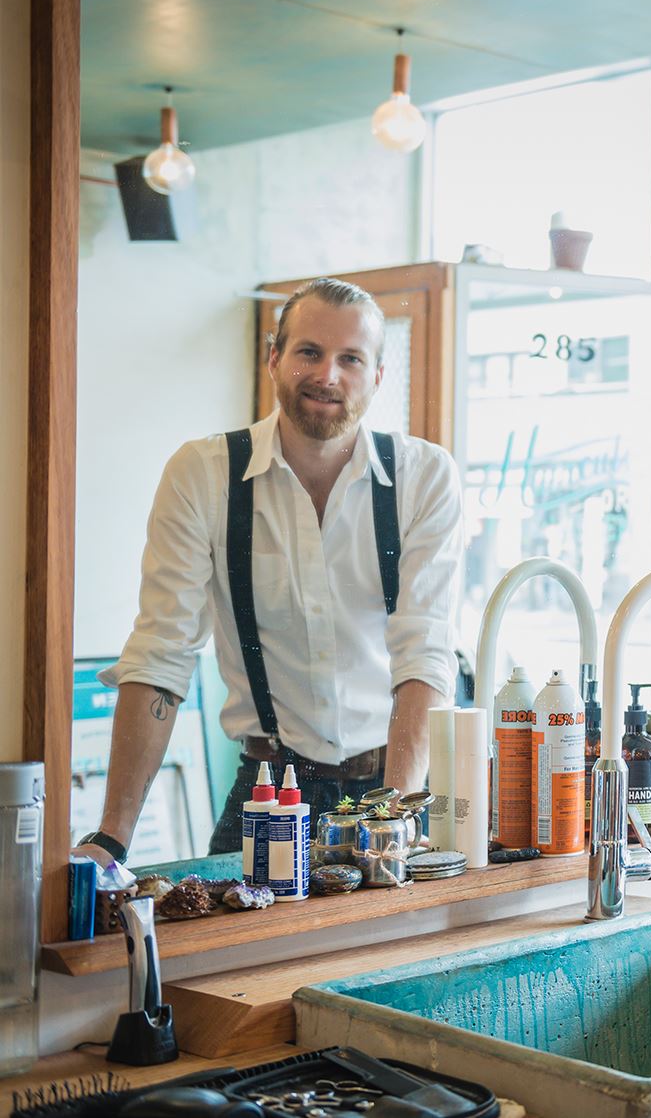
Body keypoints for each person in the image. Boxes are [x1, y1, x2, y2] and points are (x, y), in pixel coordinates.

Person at [75, 278, 463, 866]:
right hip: (267, 792)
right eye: (309, 351)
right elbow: (161, 653)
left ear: (377, 376)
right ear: (275, 356)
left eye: (350, 359)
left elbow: (424, 654)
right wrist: (112, 838)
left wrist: (398, 821)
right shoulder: (202, 475)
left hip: (395, 787)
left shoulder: (425, 478)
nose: (327, 376)